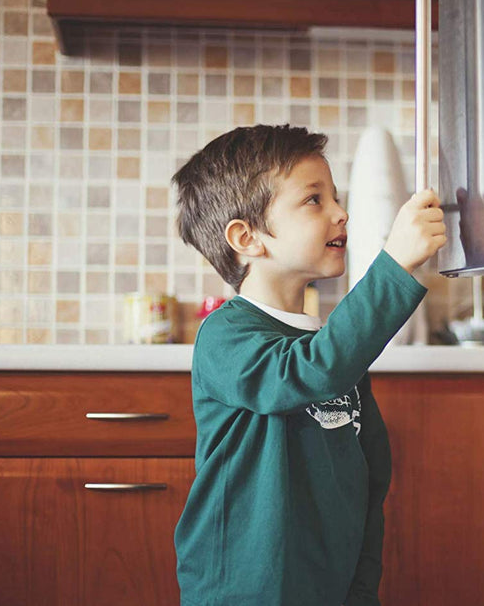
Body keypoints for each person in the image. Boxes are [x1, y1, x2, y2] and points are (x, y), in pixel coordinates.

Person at [171, 124, 446, 606]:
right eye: (314, 200)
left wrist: (362, 587)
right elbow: (306, 372)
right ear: (247, 237)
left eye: (336, 197)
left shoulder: (334, 348)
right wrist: (395, 264)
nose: (341, 213)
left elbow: (370, 475)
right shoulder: (225, 335)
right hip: (240, 589)